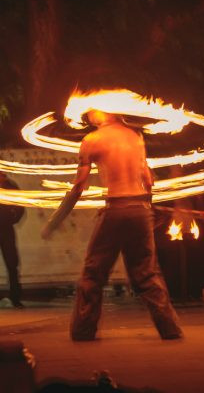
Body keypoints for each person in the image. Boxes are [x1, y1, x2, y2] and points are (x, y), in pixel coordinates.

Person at [41, 109, 182, 341]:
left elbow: (78, 187)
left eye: (93, 109)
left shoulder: (92, 140)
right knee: (146, 273)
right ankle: (170, 328)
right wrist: (146, 208)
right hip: (140, 208)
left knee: (93, 272)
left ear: (105, 111)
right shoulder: (135, 137)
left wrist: (55, 220)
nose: (88, 114)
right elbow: (148, 180)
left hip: (116, 208)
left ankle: (83, 331)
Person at [0, 172, 25, 308]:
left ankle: (15, 297)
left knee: (12, 263)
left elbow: (20, 207)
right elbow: (21, 206)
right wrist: (13, 218)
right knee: (12, 263)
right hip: (6, 228)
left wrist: (12, 219)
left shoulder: (10, 186)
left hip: (6, 228)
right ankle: (15, 298)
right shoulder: (10, 186)